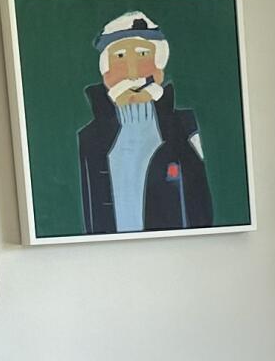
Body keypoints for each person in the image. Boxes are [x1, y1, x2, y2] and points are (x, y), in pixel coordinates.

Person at [74, 12, 214, 233]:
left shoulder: (186, 128)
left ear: (159, 66)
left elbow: (201, 204)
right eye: (119, 56)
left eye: (142, 55)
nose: (132, 71)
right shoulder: (88, 139)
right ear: (106, 72)